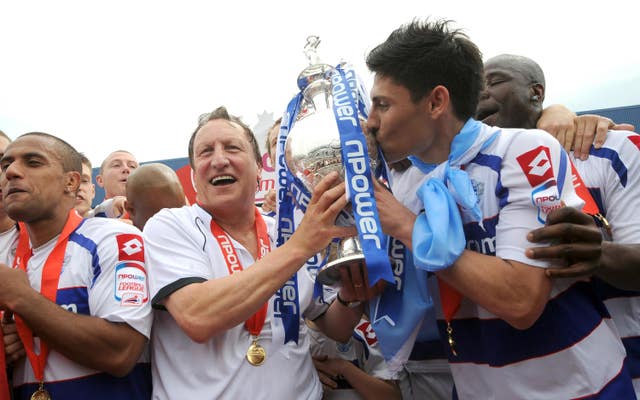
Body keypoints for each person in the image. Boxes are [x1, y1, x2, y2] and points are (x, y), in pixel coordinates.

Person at [365, 20, 634, 398]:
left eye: (383, 104)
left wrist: (409, 228)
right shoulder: (404, 184)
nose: (371, 122)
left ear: (436, 102)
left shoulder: (524, 150)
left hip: (579, 389)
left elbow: (521, 301)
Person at [143, 106, 362, 399]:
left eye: (232, 148)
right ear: (194, 177)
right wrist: (300, 246)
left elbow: (334, 327)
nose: (219, 160)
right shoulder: (170, 226)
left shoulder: (284, 231)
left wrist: (354, 291)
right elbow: (198, 316)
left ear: (259, 168)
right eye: (206, 152)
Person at [479, 53, 640, 394]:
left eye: (493, 82)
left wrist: (600, 255)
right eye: (475, 86)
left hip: (626, 368)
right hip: (535, 381)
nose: (481, 92)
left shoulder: (607, 150)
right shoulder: (470, 178)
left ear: (536, 93)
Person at [0, 132, 152, 399]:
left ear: (71, 182)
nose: (11, 172)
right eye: (5, 165)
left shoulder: (114, 238)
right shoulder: (9, 260)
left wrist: (22, 300)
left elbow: (121, 352)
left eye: (33, 162)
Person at [123, 163, 186, 230]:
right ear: (131, 210)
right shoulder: (116, 234)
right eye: (162, 218)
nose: (174, 224)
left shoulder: (195, 231)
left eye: (180, 213)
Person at [74, 153, 96, 217]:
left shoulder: (116, 225)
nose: (78, 187)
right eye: (71, 180)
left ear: (93, 191)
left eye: (84, 181)